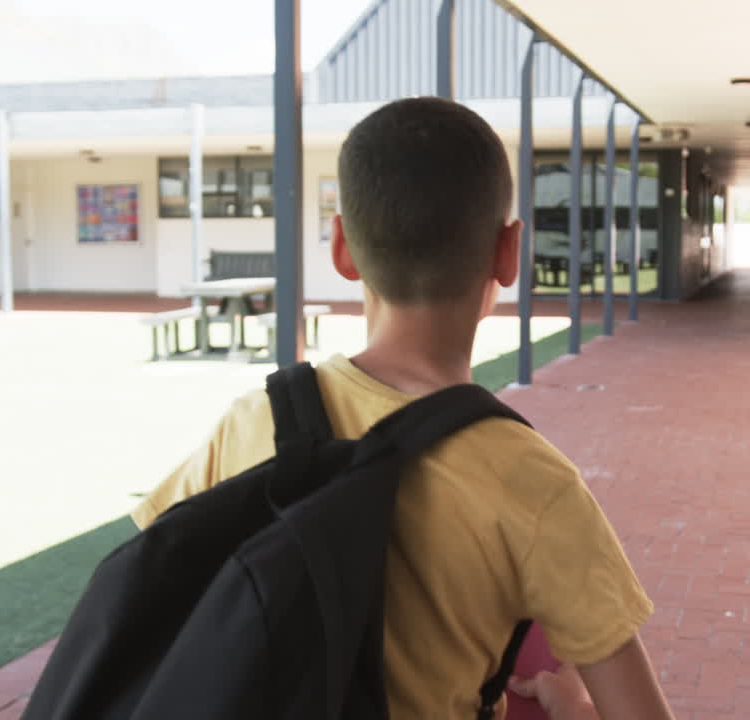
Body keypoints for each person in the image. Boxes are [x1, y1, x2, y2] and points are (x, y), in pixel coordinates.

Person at [132, 97, 674, 720]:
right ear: (508, 254)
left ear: (342, 248)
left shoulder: (253, 421)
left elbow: (149, 591)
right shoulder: (535, 484)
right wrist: (571, 707)